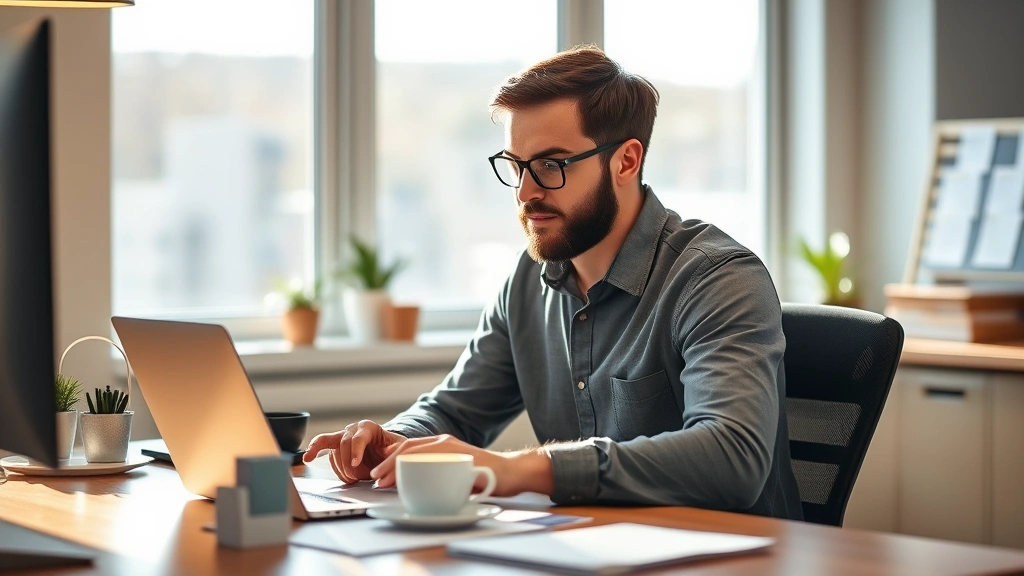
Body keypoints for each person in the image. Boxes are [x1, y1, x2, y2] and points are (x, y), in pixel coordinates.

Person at [304, 46, 803, 520]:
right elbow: (455, 412)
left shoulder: (716, 279)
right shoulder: (528, 281)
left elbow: (733, 456)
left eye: (551, 165)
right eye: (516, 166)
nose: (525, 192)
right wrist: (392, 440)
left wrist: (518, 468)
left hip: (730, 557)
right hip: (592, 550)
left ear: (626, 161)